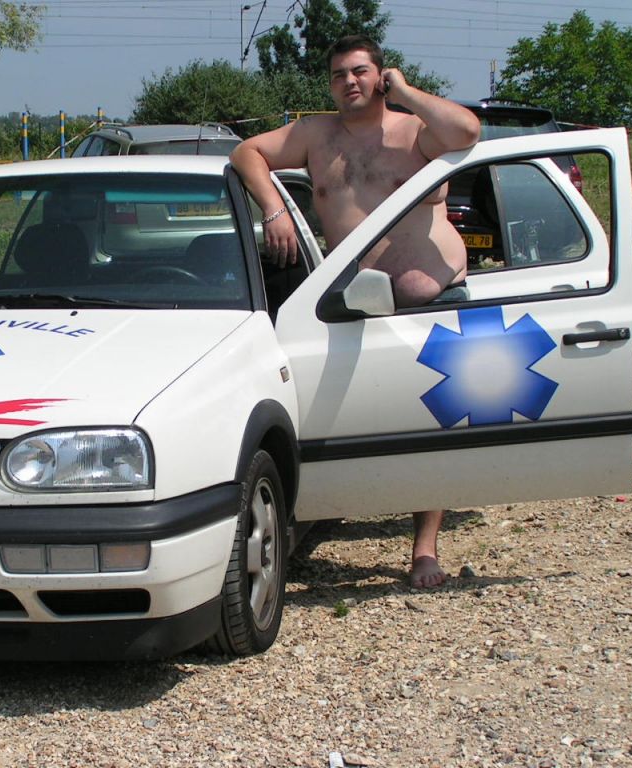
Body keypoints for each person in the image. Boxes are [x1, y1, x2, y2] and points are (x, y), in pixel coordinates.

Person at [230, 34, 481, 588]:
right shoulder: (317, 136)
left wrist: (408, 92)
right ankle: (323, 508)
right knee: (350, 412)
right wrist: (274, 208)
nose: (350, 81)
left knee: (430, 422)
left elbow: (468, 133)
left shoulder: (417, 130)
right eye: (340, 73)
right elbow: (246, 152)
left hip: (431, 298)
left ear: (382, 74)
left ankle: (424, 550)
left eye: (362, 71)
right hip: (355, 302)